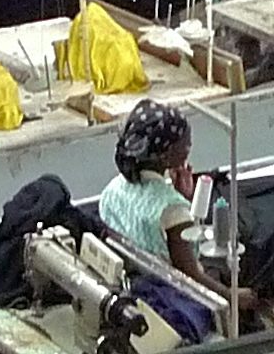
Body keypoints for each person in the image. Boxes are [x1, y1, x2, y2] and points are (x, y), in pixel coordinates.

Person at [100, 101, 254, 306]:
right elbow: (190, 273)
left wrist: (184, 197)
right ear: (166, 155)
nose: (189, 147)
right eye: (185, 144)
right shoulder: (172, 208)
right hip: (173, 291)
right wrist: (232, 295)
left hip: (137, 275)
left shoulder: (113, 188)